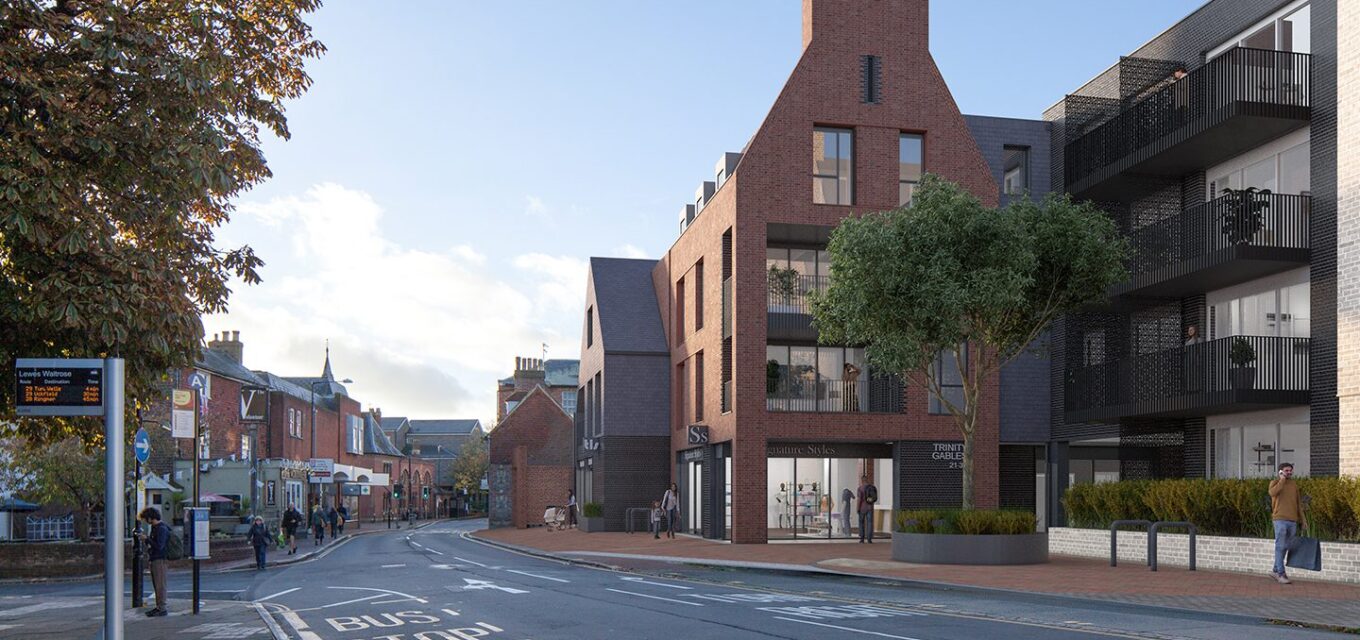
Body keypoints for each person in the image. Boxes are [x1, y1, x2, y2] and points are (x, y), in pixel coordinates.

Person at [1269, 462, 1308, 584]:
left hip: (1292, 520)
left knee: (1286, 546)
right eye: (1286, 470)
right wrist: (1282, 480)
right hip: (1279, 519)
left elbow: (1298, 504)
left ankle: (1275, 569)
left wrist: (1303, 520)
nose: (1289, 472)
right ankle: (1281, 574)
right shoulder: (1275, 483)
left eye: (1290, 471)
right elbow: (1272, 493)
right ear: (1280, 471)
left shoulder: (1293, 485)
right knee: (1280, 546)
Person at [138, 507, 170, 617]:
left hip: (160, 559)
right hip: (154, 558)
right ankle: (159, 607)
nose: (146, 521)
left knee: (160, 584)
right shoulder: (156, 528)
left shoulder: (161, 528)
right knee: (157, 584)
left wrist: (146, 539)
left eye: (147, 519)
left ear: (151, 518)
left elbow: (159, 545)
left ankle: (162, 607)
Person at [857, 475, 878, 543]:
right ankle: (869, 539)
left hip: (862, 508)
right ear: (867, 480)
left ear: (862, 480)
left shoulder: (860, 488)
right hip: (870, 507)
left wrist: (857, 508)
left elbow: (859, 499)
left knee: (861, 523)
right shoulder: (872, 487)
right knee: (870, 523)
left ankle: (862, 538)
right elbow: (874, 497)